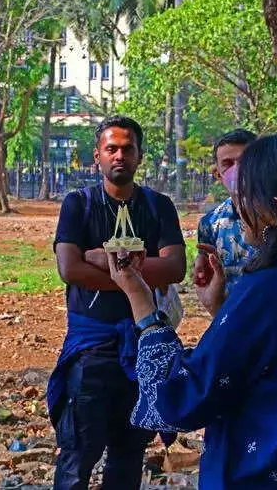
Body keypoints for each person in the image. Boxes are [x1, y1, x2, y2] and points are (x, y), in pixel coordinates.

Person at [107, 127, 277, 489]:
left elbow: (183, 397)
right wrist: (223, 310)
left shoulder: (269, 289)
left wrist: (141, 301)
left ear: (275, 212)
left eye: (246, 195)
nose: (238, 206)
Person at [48, 116, 186, 489]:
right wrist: (135, 276)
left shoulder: (159, 206)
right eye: (111, 149)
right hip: (91, 348)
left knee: (129, 454)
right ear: (98, 157)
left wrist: (101, 258)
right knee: (78, 452)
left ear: (140, 156)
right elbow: (69, 269)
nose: (119, 155)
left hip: (143, 347)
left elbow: (175, 267)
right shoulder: (78, 204)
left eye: (127, 148)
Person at [194, 129, 258, 292]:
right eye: (228, 164)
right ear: (218, 174)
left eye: (246, 161)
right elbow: (208, 277)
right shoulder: (210, 224)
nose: (238, 170)